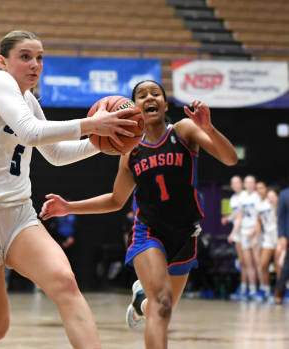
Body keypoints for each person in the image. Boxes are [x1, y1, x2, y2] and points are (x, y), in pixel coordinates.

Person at [0, 30, 138, 349]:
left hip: (18, 216)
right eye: (26, 57)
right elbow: (30, 133)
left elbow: (56, 153)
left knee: (66, 285)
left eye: (40, 57)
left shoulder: (27, 99)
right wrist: (93, 126)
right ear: (3, 62)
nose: (35, 64)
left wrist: (108, 142)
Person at [40, 80, 237, 349]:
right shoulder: (130, 151)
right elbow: (116, 199)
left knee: (160, 310)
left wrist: (208, 128)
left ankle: (140, 302)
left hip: (186, 235)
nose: (149, 98)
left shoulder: (183, 131)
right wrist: (69, 207)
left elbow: (230, 159)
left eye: (155, 94)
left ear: (165, 104)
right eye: (141, 96)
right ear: (133, 107)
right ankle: (146, 300)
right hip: (149, 233)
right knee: (163, 303)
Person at [230, 175, 261, 300]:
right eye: (247, 182)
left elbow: (259, 218)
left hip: (254, 232)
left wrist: (254, 230)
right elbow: (239, 216)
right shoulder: (241, 197)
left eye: (251, 182)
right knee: (247, 263)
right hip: (243, 232)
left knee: (258, 263)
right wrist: (233, 232)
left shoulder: (257, 196)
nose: (249, 184)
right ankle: (251, 290)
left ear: (254, 184)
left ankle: (263, 289)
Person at [252, 181, 277, 301]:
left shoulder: (272, 199)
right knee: (262, 264)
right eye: (257, 189)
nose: (259, 190)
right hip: (267, 237)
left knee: (279, 265)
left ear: (266, 188)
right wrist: (256, 238)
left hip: (278, 235)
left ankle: (280, 290)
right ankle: (265, 289)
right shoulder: (258, 205)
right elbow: (258, 223)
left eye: (261, 188)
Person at [224, 175, 248, 300]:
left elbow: (240, 216)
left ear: (242, 183)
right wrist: (227, 219)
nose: (236, 185)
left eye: (238, 182)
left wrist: (232, 233)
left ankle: (251, 288)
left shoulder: (245, 196)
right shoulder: (233, 198)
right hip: (238, 233)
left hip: (246, 231)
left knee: (249, 263)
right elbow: (235, 214)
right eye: (233, 183)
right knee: (242, 262)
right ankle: (243, 287)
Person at [275, 185, 289, 304]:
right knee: (286, 266)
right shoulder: (284, 194)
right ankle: (279, 291)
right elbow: (281, 217)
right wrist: (282, 236)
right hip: (288, 234)